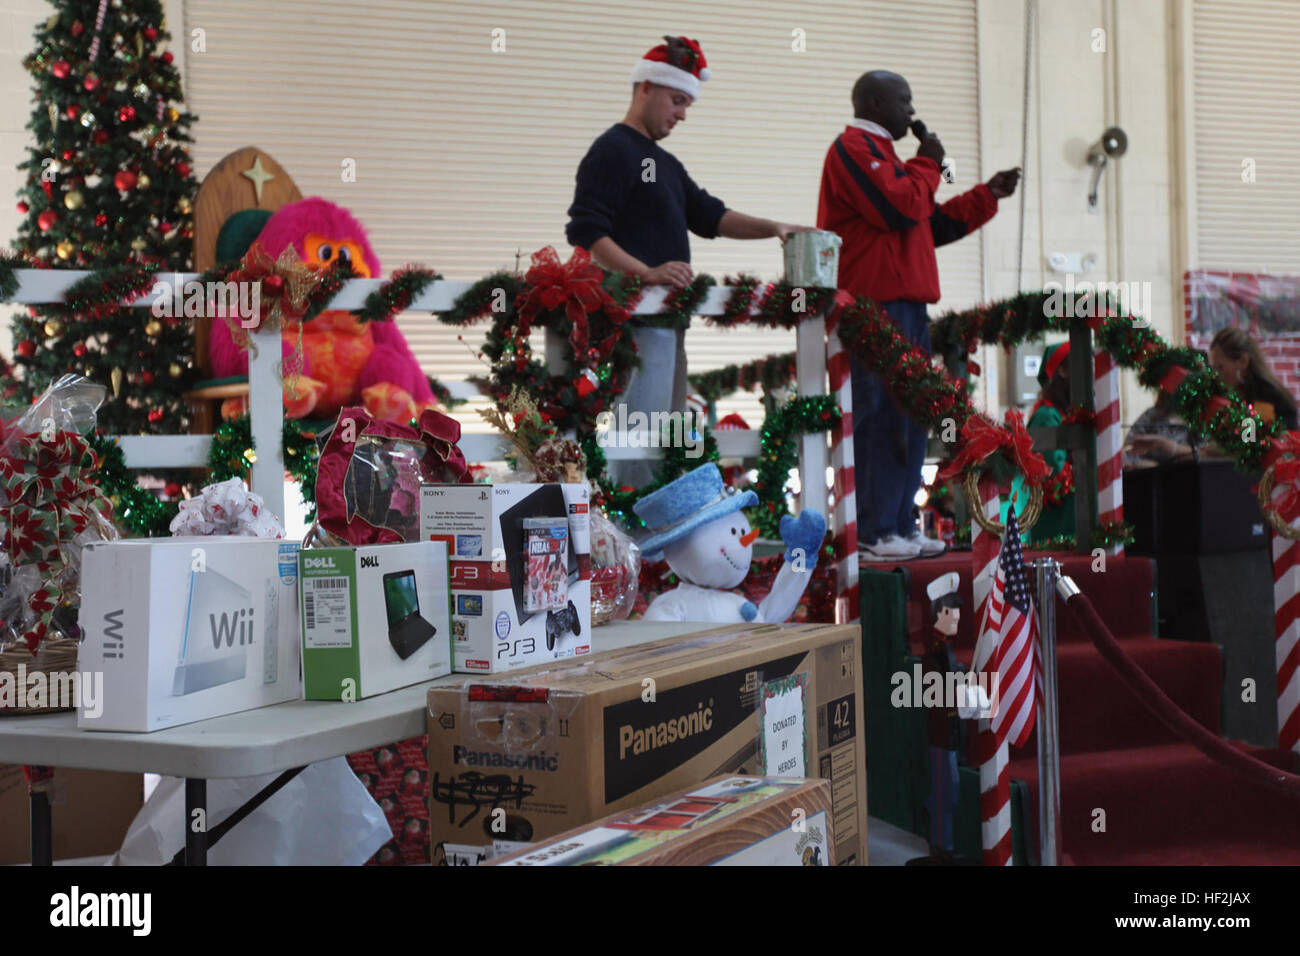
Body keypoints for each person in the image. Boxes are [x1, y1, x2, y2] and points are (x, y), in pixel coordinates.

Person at [566, 36, 812, 486]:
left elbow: (710, 215)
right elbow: (587, 232)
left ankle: (652, 530)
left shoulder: (664, 164)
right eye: (676, 100)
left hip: (667, 323)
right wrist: (646, 273)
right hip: (633, 323)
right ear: (645, 87)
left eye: (686, 105)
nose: (681, 113)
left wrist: (776, 227)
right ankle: (626, 535)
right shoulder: (612, 150)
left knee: (665, 429)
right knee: (640, 431)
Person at [817, 70, 1021, 561]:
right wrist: (929, 162)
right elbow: (901, 208)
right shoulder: (852, 148)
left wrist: (986, 194)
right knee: (879, 414)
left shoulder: (892, 161)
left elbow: (933, 224)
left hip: (909, 307)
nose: (911, 111)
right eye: (903, 101)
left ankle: (901, 524)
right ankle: (871, 529)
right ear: (873, 101)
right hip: (872, 307)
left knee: (910, 418)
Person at [1006, 342, 1074, 543]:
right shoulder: (1047, 415)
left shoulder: (1063, 414)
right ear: (1063, 371)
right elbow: (1053, 474)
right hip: (1057, 527)